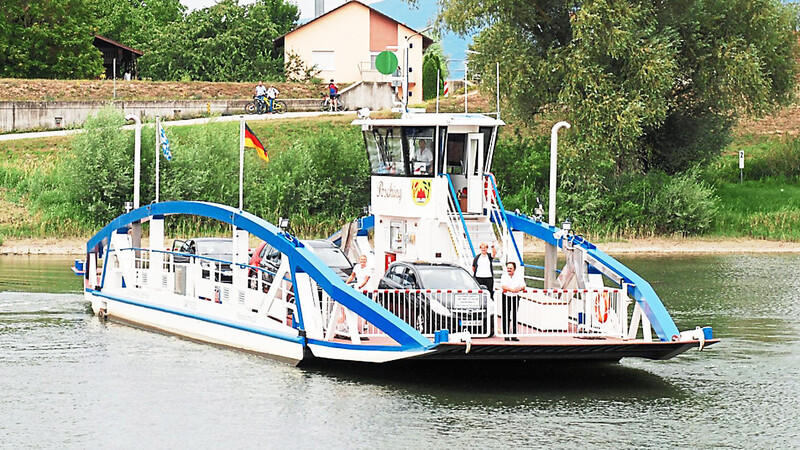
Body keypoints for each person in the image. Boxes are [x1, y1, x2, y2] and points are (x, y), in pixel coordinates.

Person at [500, 261, 525, 341]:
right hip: (506, 296)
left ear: (514, 269)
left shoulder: (518, 276)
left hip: (515, 297)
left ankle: (514, 335)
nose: (509, 270)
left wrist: (518, 289)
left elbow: (523, 286)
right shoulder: (504, 275)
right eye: (508, 268)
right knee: (505, 315)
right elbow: (503, 285)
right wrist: (511, 289)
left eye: (510, 268)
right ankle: (506, 335)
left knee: (514, 316)